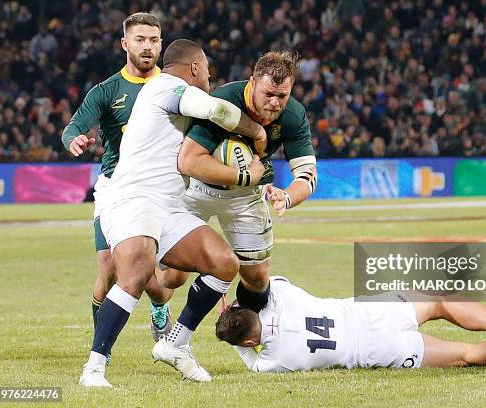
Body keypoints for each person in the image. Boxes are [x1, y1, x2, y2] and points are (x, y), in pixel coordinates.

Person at [78, 38, 267, 387]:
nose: (210, 77)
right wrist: (255, 130)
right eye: (207, 70)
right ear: (194, 67)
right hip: (133, 199)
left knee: (223, 261)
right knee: (134, 273)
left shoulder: (169, 94)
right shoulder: (166, 87)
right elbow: (219, 111)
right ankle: (94, 368)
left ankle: (175, 344)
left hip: (166, 206)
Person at [160, 51, 317, 317]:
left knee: (257, 279)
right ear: (252, 83)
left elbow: (307, 175)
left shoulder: (293, 114)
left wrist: (286, 197)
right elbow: (188, 161)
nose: (275, 103)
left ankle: (242, 334)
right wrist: (246, 175)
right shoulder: (224, 101)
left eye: (282, 96)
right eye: (269, 94)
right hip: (198, 189)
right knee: (174, 277)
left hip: (245, 198)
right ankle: (158, 303)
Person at [61, 12, 174, 345]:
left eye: (154, 40)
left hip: (160, 188)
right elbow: (73, 128)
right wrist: (75, 140)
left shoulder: (174, 87)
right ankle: (101, 350)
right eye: (140, 39)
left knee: (148, 277)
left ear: (161, 44)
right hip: (116, 187)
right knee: (109, 267)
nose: (147, 46)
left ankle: (159, 305)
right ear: (125, 44)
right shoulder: (107, 91)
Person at [216, 277, 486, 372]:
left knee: (471, 356)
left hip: (377, 351)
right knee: (439, 300)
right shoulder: (284, 296)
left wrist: (234, 334)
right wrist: (228, 304)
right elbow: (260, 286)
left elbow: (251, 356)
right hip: (371, 312)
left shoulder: (276, 360)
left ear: (249, 341)